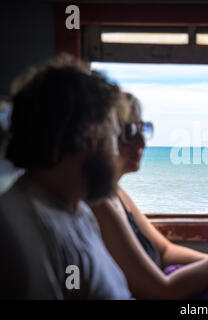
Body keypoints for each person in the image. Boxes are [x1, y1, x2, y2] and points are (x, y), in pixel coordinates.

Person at [90, 93, 208, 300]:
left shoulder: (117, 194)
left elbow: (165, 252)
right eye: (129, 131)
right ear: (104, 136)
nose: (141, 141)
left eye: (143, 129)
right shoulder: (98, 204)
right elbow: (163, 292)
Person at [0, 55, 132, 299]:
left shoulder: (77, 210)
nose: (118, 153)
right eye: (114, 137)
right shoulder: (23, 234)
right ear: (91, 137)